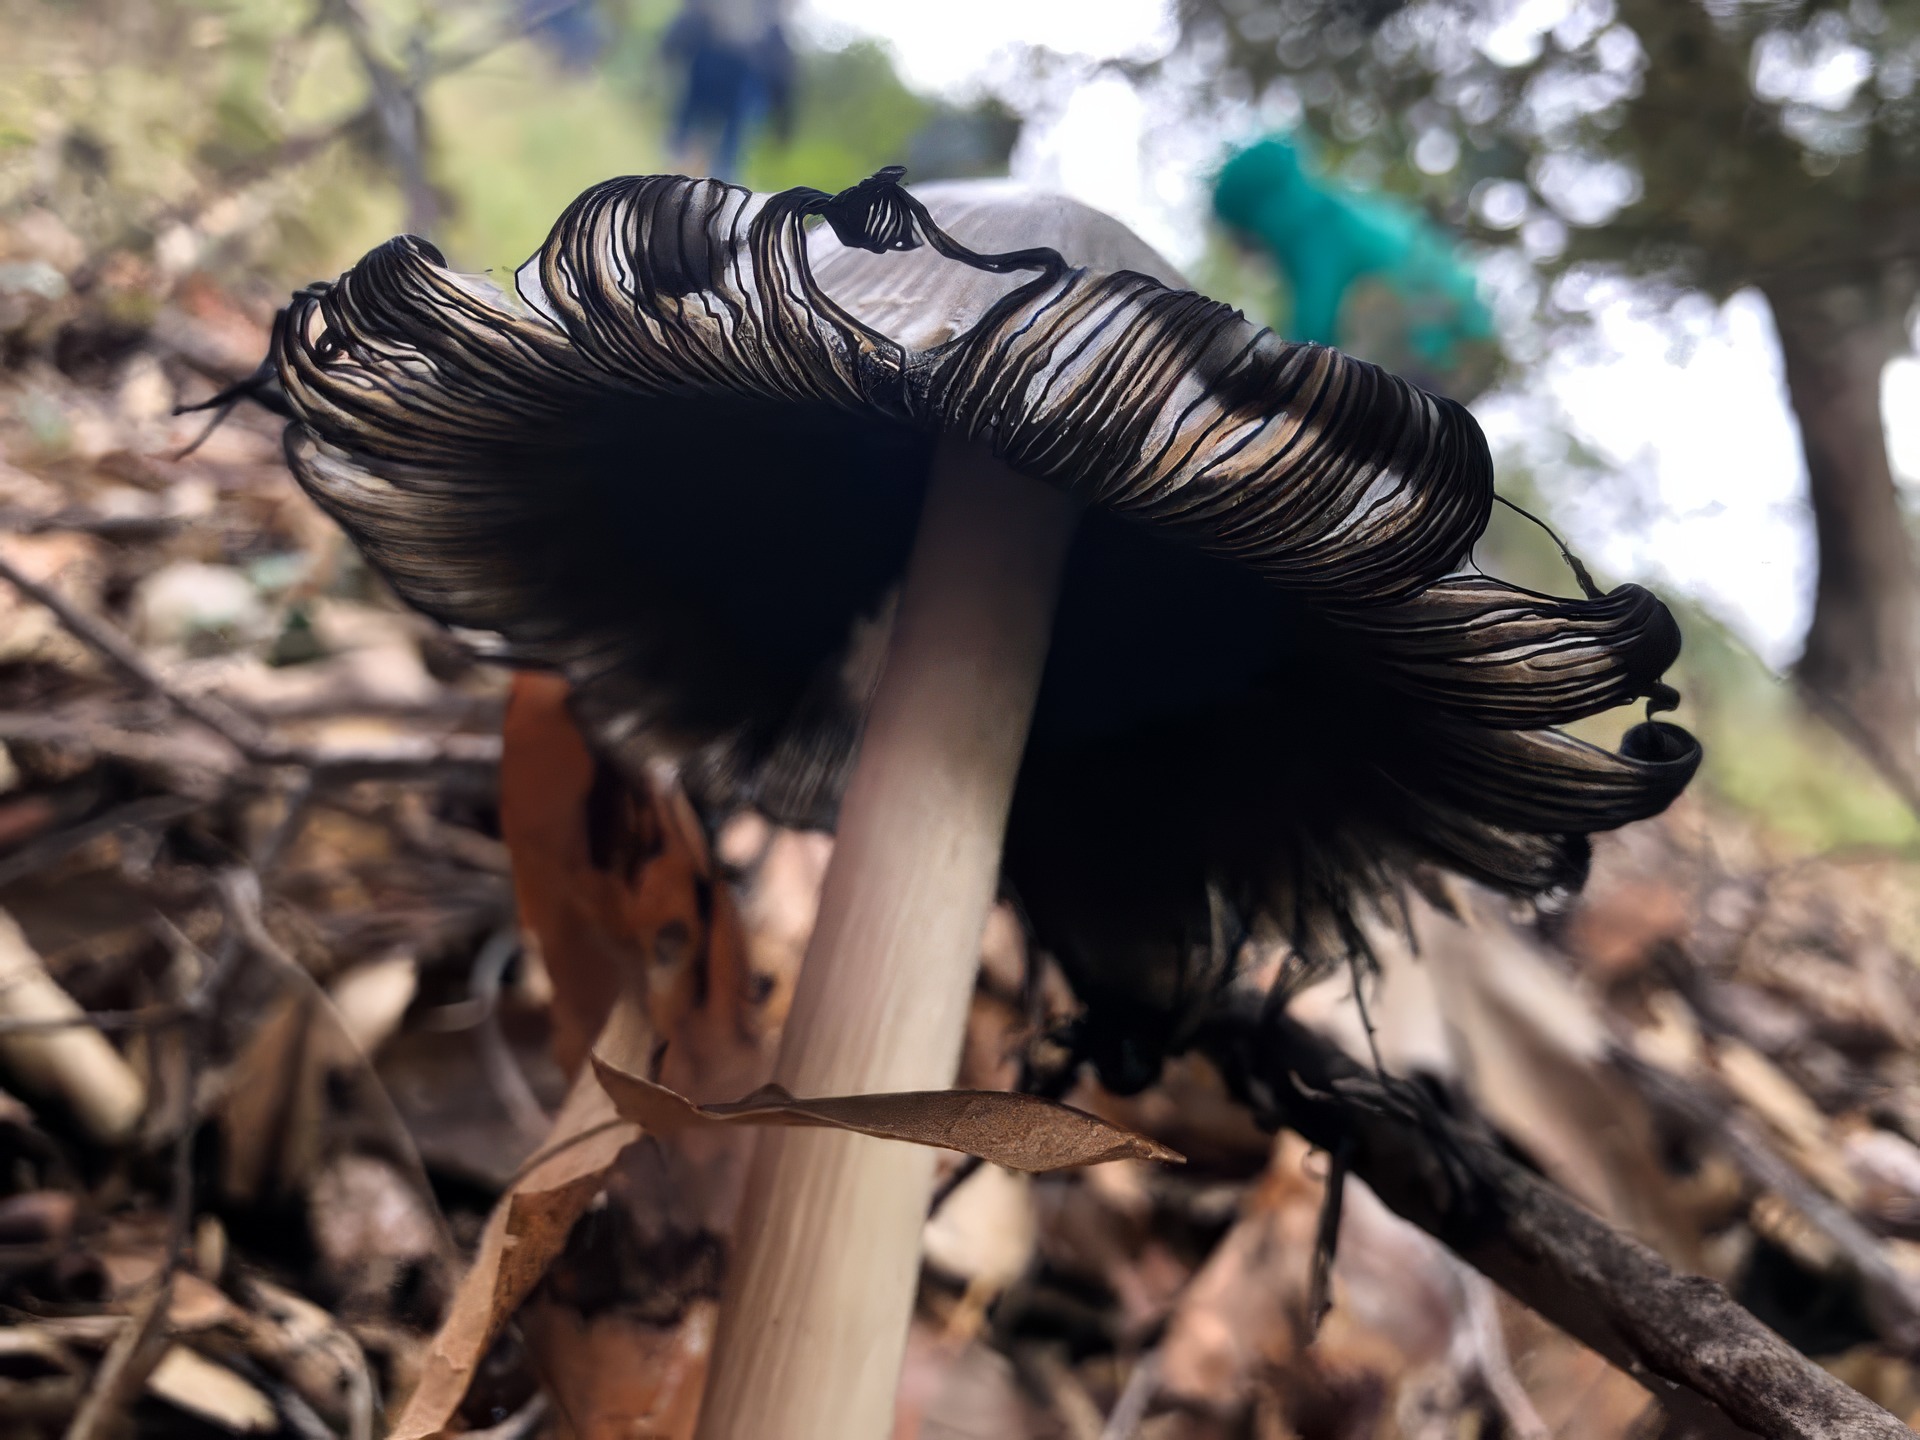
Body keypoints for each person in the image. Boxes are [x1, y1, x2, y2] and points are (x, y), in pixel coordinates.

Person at [663, 0, 794, 180]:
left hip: (742, 79)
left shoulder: (768, 27)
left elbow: (779, 61)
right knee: (691, 138)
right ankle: (681, 171)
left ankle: (712, 180)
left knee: (726, 149)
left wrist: (783, 116)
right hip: (710, 67)